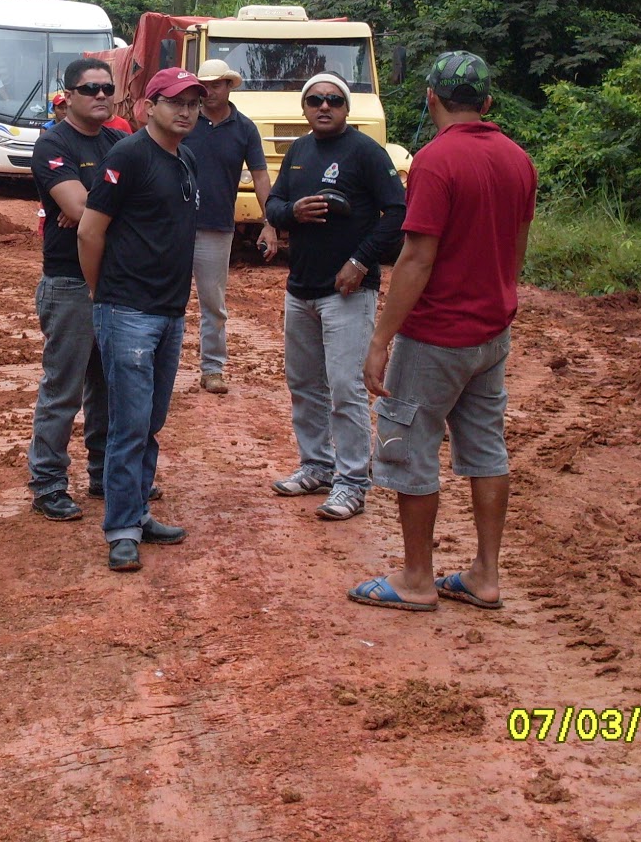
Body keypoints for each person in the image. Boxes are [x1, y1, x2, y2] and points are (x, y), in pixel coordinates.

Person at [351, 52, 536, 613]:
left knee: (410, 448)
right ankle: (485, 573)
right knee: (485, 448)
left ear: (430, 98)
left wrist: (381, 339)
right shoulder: (518, 159)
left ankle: (415, 578)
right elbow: (518, 245)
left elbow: (416, 258)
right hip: (490, 333)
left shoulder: (435, 161)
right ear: (487, 104)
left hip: (436, 336)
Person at [263, 73, 405, 522]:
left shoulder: (366, 152)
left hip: (347, 291)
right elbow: (273, 205)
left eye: (333, 100)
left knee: (345, 388)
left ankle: (352, 481)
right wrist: (292, 213)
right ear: (304, 108)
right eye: (315, 100)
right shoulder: (300, 151)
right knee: (304, 384)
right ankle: (316, 466)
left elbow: (397, 211)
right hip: (300, 287)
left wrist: (362, 260)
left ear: (347, 108)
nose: (324, 106)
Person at [77, 68, 201, 572]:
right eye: (175, 101)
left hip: (168, 313)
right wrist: (101, 295)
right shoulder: (128, 157)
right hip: (127, 310)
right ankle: (122, 530)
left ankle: (138, 512)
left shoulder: (184, 158)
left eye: (193, 101)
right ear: (149, 106)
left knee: (150, 422)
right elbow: (89, 231)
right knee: (128, 425)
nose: (186, 110)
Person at [26, 62, 127, 521]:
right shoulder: (53, 142)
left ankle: (103, 474)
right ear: (68, 95)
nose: (102, 95)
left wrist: (90, 209)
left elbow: (123, 204)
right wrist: (89, 207)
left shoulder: (116, 144)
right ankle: (47, 483)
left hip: (112, 280)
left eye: (108, 88)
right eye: (91, 89)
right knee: (63, 389)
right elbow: (78, 206)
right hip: (68, 281)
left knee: (108, 388)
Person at [182, 58, 277, 393]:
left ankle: (212, 369)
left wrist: (270, 222)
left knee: (213, 302)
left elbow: (262, 175)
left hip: (216, 227)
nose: (209, 91)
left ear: (229, 86)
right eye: (204, 85)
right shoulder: (184, 121)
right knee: (168, 299)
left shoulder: (245, 129)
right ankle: (158, 367)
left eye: (216, 84)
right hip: (174, 225)